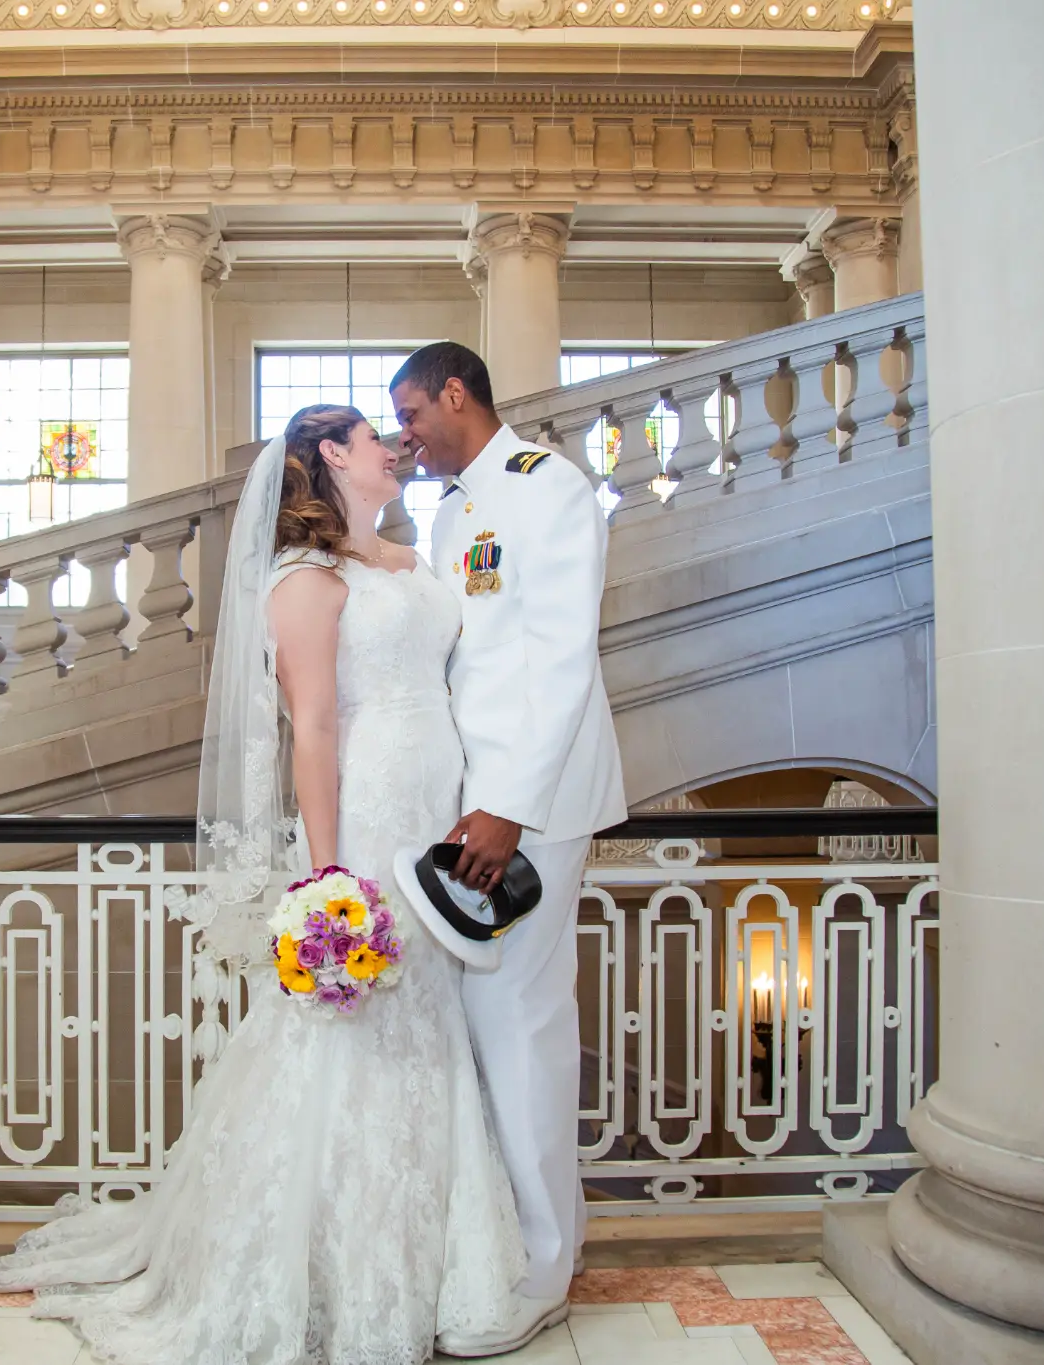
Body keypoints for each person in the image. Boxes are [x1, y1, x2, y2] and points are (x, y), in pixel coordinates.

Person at [0, 404, 527, 1364]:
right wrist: (328, 874)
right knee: (356, 1028)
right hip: (372, 811)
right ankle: (327, 1270)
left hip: (443, 796)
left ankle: (430, 1262)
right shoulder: (307, 582)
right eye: (370, 439)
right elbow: (311, 726)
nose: (392, 449)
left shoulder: (410, 556)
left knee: (428, 1017)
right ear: (329, 457)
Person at [390, 342, 628, 1354]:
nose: (405, 434)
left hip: (530, 805)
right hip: (467, 803)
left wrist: (508, 807)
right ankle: (505, 1240)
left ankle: (541, 1268)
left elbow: (561, 654)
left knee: (520, 1026)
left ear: (457, 394)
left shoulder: (543, 485)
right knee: (481, 1026)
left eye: (411, 413)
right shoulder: (450, 510)